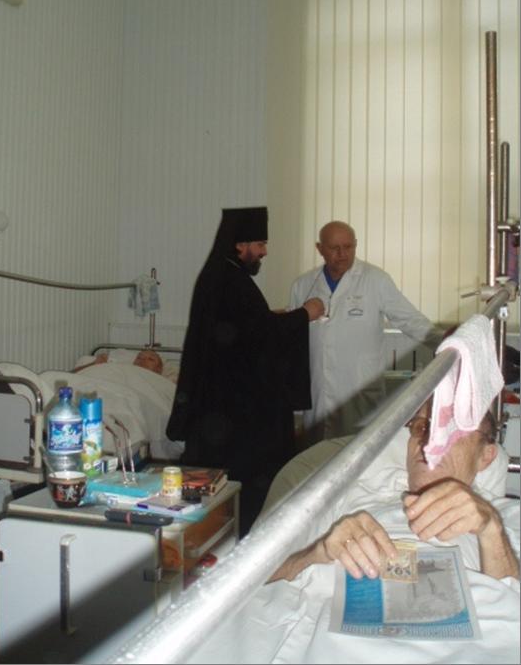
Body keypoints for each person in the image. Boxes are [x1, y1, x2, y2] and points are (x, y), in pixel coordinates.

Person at [188, 402, 520, 665]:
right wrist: (319, 551)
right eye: (421, 427)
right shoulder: (345, 494)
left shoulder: (504, 517)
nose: (430, 440)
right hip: (338, 641)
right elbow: (255, 578)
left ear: (486, 455)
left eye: (451, 429)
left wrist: (490, 528)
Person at [166, 206, 326, 536]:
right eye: (260, 244)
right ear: (240, 245)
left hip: (222, 402)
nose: (264, 252)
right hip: (235, 412)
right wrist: (305, 314)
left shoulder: (223, 276)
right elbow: (260, 334)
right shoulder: (230, 280)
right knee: (247, 479)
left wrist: (275, 317)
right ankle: (246, 537)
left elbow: (246, 328)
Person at [290, 220, 443, 443]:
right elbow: (293, 340)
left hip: (360, 390)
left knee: (357, 452)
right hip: (318, 393)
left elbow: (409, 319)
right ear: (319, 248)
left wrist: (446, 341)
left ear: (356, 245)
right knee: (317, 456)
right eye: (334, 248)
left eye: (348, 247)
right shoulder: (303, 285)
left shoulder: (375, 279)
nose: (342, 254)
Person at [72, 349, 165, 375]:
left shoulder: (159, 383)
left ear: (159, 370)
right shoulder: (118, 368)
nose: (143, 360)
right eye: (139, 357)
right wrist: (93, 364)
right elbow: (71, 375)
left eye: (150, 359)